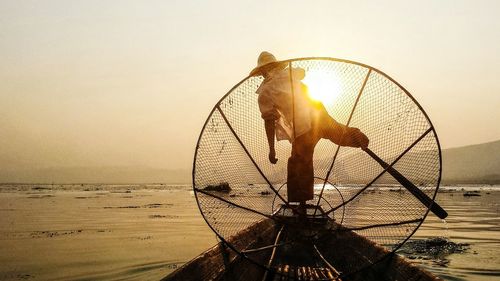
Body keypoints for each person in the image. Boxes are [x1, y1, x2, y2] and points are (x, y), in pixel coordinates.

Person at [250, 51, 369, 206]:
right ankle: (358, 137)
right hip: (319, 115)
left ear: (262, 71)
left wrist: (272, 149)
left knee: (298, 162)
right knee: (339, 133)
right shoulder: (290, 74)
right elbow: (302, 74)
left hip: (304, 126)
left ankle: (302, 207)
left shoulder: (266, 91)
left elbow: (269, 121)